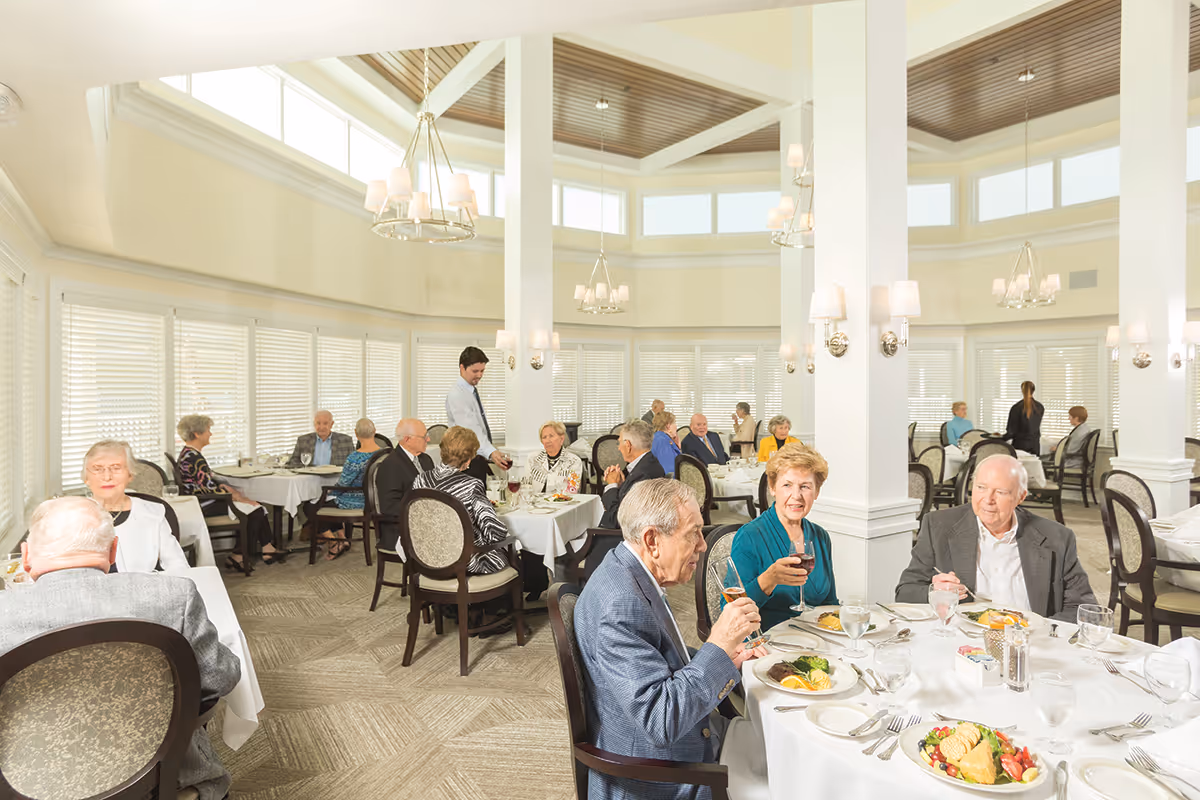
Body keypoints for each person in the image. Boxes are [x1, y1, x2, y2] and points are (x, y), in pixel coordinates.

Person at [0, 497, 241, 800]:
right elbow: (221, 679)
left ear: (25, 556)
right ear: (114, 550)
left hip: (26, 785)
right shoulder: (173, 597)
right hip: (160, 775)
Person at [574, 479, 768, 800]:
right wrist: (717, 644)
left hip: (669, 745)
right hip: (654, 776)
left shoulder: (627, 570)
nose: (703, 545)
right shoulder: (620, 604)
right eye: (693, 533)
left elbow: (663, 658)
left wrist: (728, 658)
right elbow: (660, 721)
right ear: (652, 540)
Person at [894, 455, 1096, 621]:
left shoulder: (1056, 537)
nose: (988, 500)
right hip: (961, 640)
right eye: (981, 488)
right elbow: (905, 592)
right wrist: (934, 591)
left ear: (1021, 496)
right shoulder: (939, 526)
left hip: (1028, 643)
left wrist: (1043, 635)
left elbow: (1083, 608)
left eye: (1000, 492)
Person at [730, 443, 839, 630]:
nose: (796, 496)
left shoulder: (820, 537)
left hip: (819, 641)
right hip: (770, 644)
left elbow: (830, 603)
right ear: (772, 487)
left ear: (817, 492)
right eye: (787, 485)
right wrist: (768, 580)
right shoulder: (749, 537)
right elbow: (729, 612)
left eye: (805, 486)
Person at [176, 414, 285, 571]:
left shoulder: (189, 453)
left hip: (199, 500)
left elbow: (206, 482)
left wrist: (231, 491)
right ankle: (238, 555)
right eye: (208, 430)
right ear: (197, 434)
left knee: (255, 505)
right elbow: (208, 488)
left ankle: (268, 548)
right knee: (255, 509)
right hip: (204, 504)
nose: (210, 434)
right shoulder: (194, 458)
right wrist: (236, 496)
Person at [412, 426, 509, 576]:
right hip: (463, 562)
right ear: (469, 459)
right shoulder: (471, 485)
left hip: (427, 558)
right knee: (508, 554)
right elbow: (494, 533)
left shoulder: (420, 480)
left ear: (441, 451)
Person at [83, 439, 189, 574]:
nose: (107, 476)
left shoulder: (153, 513)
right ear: (86, 478)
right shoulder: (71, 516)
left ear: (130, 475)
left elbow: (177, 565)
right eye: (97, 469)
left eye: (116, 468)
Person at [587, 420, 666, 580]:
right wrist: (622, 485)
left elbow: (618, 518)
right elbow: (630, 501)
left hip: (621, 541)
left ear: (628, 445)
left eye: (619, 442)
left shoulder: (642, 475)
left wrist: (612, 486)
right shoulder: (649, 465)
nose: (618, 447)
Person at [317, 418, 383, 561]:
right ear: (374, 432)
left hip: (354, 502)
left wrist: (329, 492)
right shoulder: (384, 454)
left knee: (313, 507)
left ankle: (334, 542)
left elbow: (343, 484)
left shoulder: (355, 458)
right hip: (375, 500)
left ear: (356, 434)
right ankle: (342, 538)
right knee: (327, 503)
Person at [445, 346, 513, 483]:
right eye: (475, 371)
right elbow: (470, 430)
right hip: (466, 462)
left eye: (482, 371)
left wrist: (491, 452)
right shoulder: (458, 395)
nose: (480, 375)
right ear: (462, 368)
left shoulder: (470, 392)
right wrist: (491, 452)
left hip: (477, 458)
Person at [375, 418, 435, 550]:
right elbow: (389, 506)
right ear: (407, 439)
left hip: (428, 518)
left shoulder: (425, 459)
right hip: (402, 526)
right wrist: (423, 513)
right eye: (424, 437)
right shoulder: (390, 465)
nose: (428, 440)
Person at [527, 420, 584, 493]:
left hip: (562, 502)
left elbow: (572, 489)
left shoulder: (574, 461)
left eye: (551, 436)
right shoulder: (532, 458)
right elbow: (525, 485)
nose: (547, 440)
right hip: (535, 502)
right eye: (544, 437)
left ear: (561, 439)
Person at [286, 410, 355, 468]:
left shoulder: (345, 441)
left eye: (325, 423)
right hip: (309, 479)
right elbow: (293, 462)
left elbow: (353, 465)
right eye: (318, 423)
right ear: (314, 424)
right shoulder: (303, 440)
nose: (321, 427)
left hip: (335, 480)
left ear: (331, 424)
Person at [1001, 380, 1044, 455]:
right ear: (1033, 390)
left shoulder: (1016, 408)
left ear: (1022, 390)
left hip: (1020, 447)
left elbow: (1011, 432)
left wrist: (999, 439)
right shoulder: (1040, 407)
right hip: (1035, 446)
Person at [650, 410, 683, 475]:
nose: (676, 427)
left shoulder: (663, 438)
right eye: (674, 423)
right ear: (668, 426)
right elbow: (670, 471)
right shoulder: (661, 441)